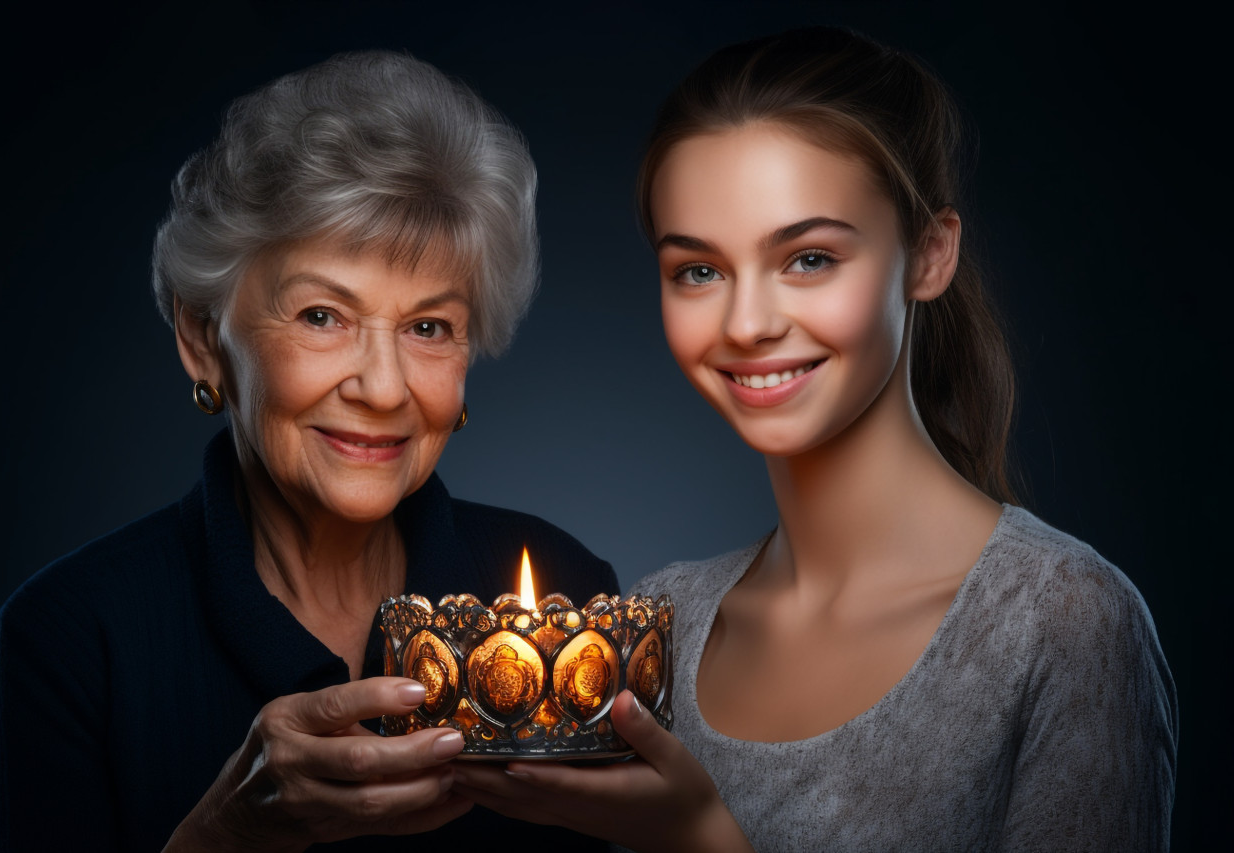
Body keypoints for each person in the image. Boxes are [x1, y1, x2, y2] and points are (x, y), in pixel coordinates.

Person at [453, 27, 1178, 851]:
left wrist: (702, 837)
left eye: (808, 258)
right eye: (699, 270)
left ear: (930, 254)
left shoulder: (1063, 624)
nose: (748, 324)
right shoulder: (663, 620)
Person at [0, 51, 617, 852]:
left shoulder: (567, 593)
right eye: (323, 315)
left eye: (429, 327)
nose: (385, 388)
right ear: (200, 336)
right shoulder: (73, 637)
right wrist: (224, 834)